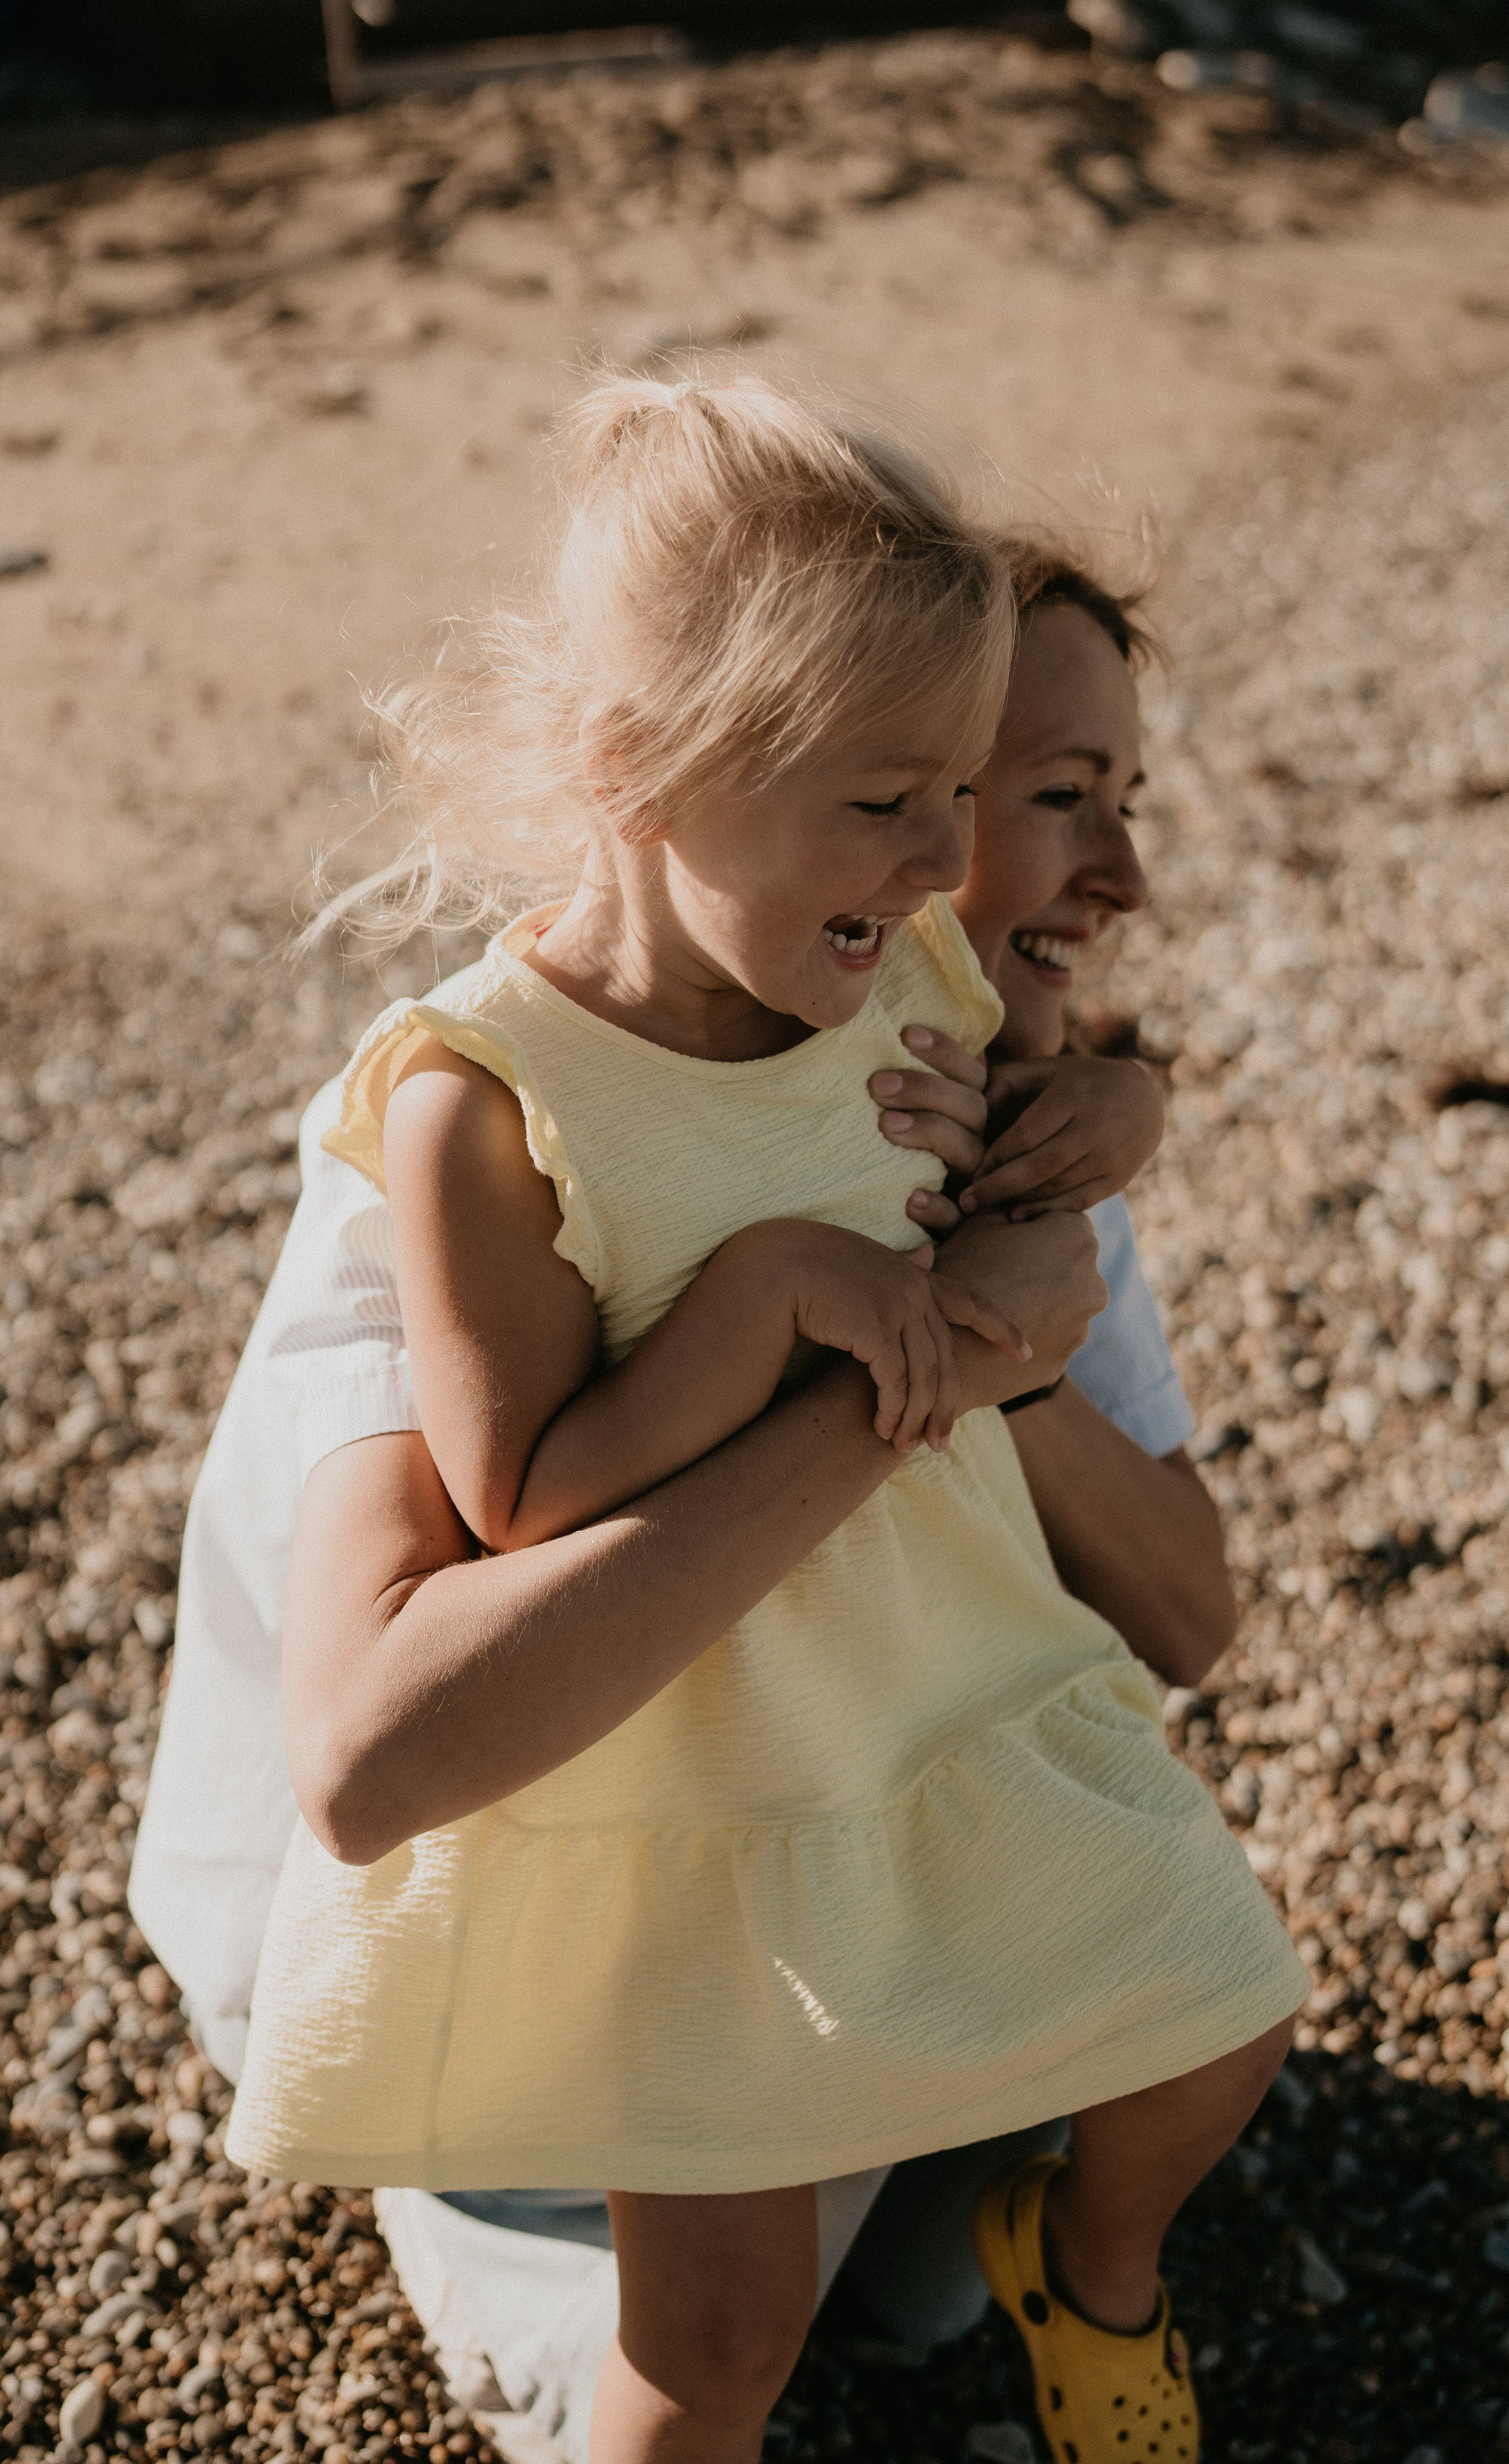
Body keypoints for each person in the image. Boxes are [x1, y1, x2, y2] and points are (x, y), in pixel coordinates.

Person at [193, 378, 1302, 2464]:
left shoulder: (882, 974)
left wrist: (1123, 1109)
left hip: (940, 1705)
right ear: (640, 767)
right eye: (896, 799)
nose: (952, 857)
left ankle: (1082, 2268)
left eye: (973, 795)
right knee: (716, 2347)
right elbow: (519, 1506)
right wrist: (770, 1298)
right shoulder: (476, 1113)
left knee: (1222, 2022)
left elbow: (1052, 1056)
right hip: (691, 1806)